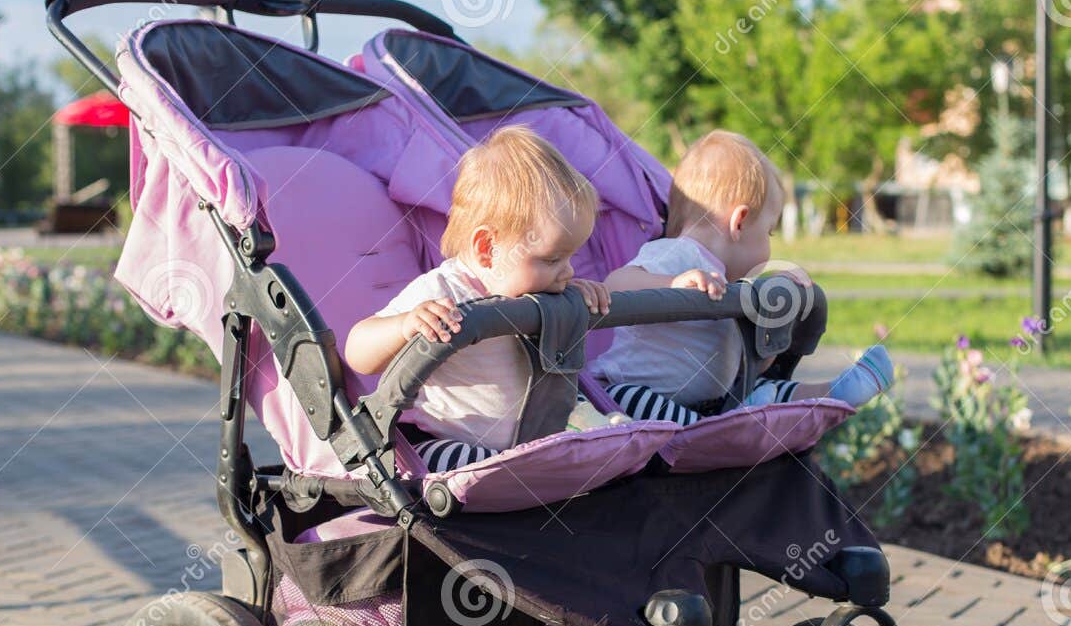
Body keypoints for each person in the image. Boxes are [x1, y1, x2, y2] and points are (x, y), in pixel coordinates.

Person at [344, 126, 608, 472]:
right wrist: (406, 325)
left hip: (539, 440)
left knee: (605, 424)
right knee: (434, 459)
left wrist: (580, 300)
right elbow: (358, 352)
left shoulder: (546, 292)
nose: (568, 271)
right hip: (458, 446)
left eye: (570, 257)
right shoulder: (442, 293)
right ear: (487, 250)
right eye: (552, 259)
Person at [591, 130, 891, 423]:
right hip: (632, 397)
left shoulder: (731, 286)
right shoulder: (676, 255)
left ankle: (830, 394)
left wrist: (776, 320)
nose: (770, 246)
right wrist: (671, 285)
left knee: (766, 388)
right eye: (769, 232)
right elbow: (615, 285)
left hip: (710, 403)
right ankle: (722, 429)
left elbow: (753, 366)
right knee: (629, 398)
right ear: (740, 222)